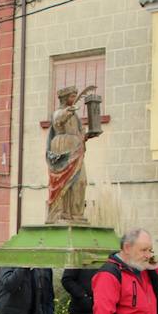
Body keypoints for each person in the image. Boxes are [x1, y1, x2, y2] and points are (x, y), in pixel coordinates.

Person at [45, 85, 100, 223]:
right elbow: (59, 120)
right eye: (71, 96)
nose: (74, 98)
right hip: (63, 148)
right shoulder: (59, 112)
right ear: (64, 98)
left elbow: (79, 132)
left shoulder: (75, 116)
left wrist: (86, 136)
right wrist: (69, 111)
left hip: (77, 150)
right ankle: (62, 213)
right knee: (63, 182)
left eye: (75, 96)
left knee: (81, 181)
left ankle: (77, 213)